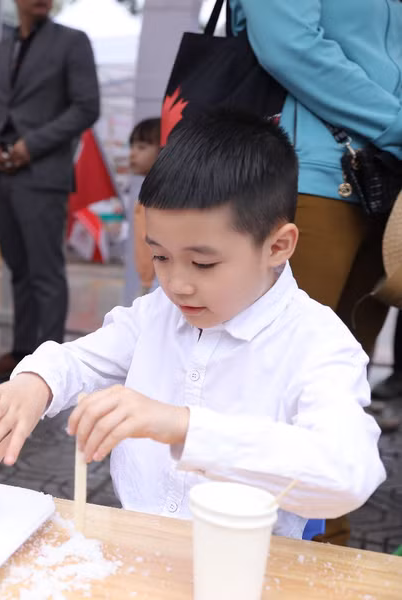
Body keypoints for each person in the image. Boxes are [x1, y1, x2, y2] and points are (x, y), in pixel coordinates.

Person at [0, 112, 385, 539]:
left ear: (277, 246)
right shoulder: (157, 313)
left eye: (203, 263)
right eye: (160, 256)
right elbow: (83, 360)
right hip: (138, 542)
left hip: (245, 561)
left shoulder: (317, 342)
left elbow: (347, 472)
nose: (176, 284)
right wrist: (38, 381)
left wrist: (184, 427)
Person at [233, 0, 402, 544]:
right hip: (308, 173)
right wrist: (396, 122)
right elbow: (287, 41)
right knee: (270, 373)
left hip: (385, 181)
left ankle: (322, 540)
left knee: (344, 375)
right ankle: (251, 539)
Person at [0, 0, 99, 377]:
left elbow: (87, 107)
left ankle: (51, 365)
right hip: (1, 175)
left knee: (46, 273)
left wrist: (33, 144)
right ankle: (23, 351)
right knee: (18, 270)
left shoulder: (73, 42)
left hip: (42, 174)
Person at [128, 118, 162, 294]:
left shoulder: (162, 196)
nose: (132, 154)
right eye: (132, 147)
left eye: (141, 147)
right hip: (149, 281)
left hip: (159, 281)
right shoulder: (147, 191)